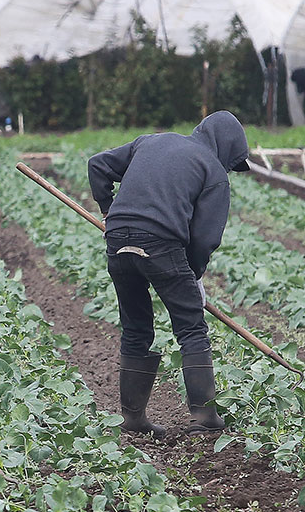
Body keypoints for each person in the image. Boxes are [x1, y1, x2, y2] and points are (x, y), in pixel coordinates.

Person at [87, 110, 250, 437]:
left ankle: (132, 419)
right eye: (233, 161)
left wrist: (109, 211)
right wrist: (194, 275)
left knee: (135, 328)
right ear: (226, 147)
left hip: (118, 241)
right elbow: (205, 238)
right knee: (191, 328)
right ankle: (204, 418)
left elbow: (98, 164)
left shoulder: (151, 141)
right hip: (160, 243)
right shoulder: (213, 170)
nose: (230, 168)